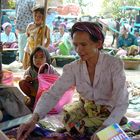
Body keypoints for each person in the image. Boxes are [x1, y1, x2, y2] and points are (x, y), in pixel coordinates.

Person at [17, 22, 129, 140]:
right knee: (67, 117)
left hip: (108, 110)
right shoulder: (73, 68)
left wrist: (105, 128)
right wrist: (33, 119)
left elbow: (122, 102)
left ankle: (117, 120)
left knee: (84, 128)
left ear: (98, 43)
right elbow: (53, 93)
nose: (78, 50)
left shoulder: (114, 65)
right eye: (75, 45)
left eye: (83, 44)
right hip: (86, 107)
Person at [19, 46, 59, 111]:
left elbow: (59, 79)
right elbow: (25, 77)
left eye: (41, 57)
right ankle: (33, 100)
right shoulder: (31, 69)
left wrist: (49, 80)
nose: (38, 60)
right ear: (32, 59)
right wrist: (27, 78)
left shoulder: (50, 69)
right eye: (35, 57)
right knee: (22, 82)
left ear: (47, 58)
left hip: (47, 94)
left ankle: (42, 103)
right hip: (35, 92)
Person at [22, 5, 51, 69]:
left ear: (43, 17)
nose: (37, 18)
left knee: (38, 67)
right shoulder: (30, 26)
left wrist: (44, 49)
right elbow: (28, 36)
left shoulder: (45, 28)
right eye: (35, 16)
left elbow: (48, 40)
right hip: (29, 50)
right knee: (28, 67)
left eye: (39, 16)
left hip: (39, 52)